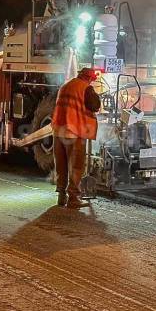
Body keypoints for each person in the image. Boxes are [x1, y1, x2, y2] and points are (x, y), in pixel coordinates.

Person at [51, 67, 101, 208]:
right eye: (91, 79)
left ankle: (61, 195)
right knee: (76, 166)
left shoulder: (65, 86)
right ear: (89, 78)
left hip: (58, 131)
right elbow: (95, 106)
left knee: (61, 165)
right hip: (74, 131)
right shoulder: (86, 89)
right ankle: (73, 198)